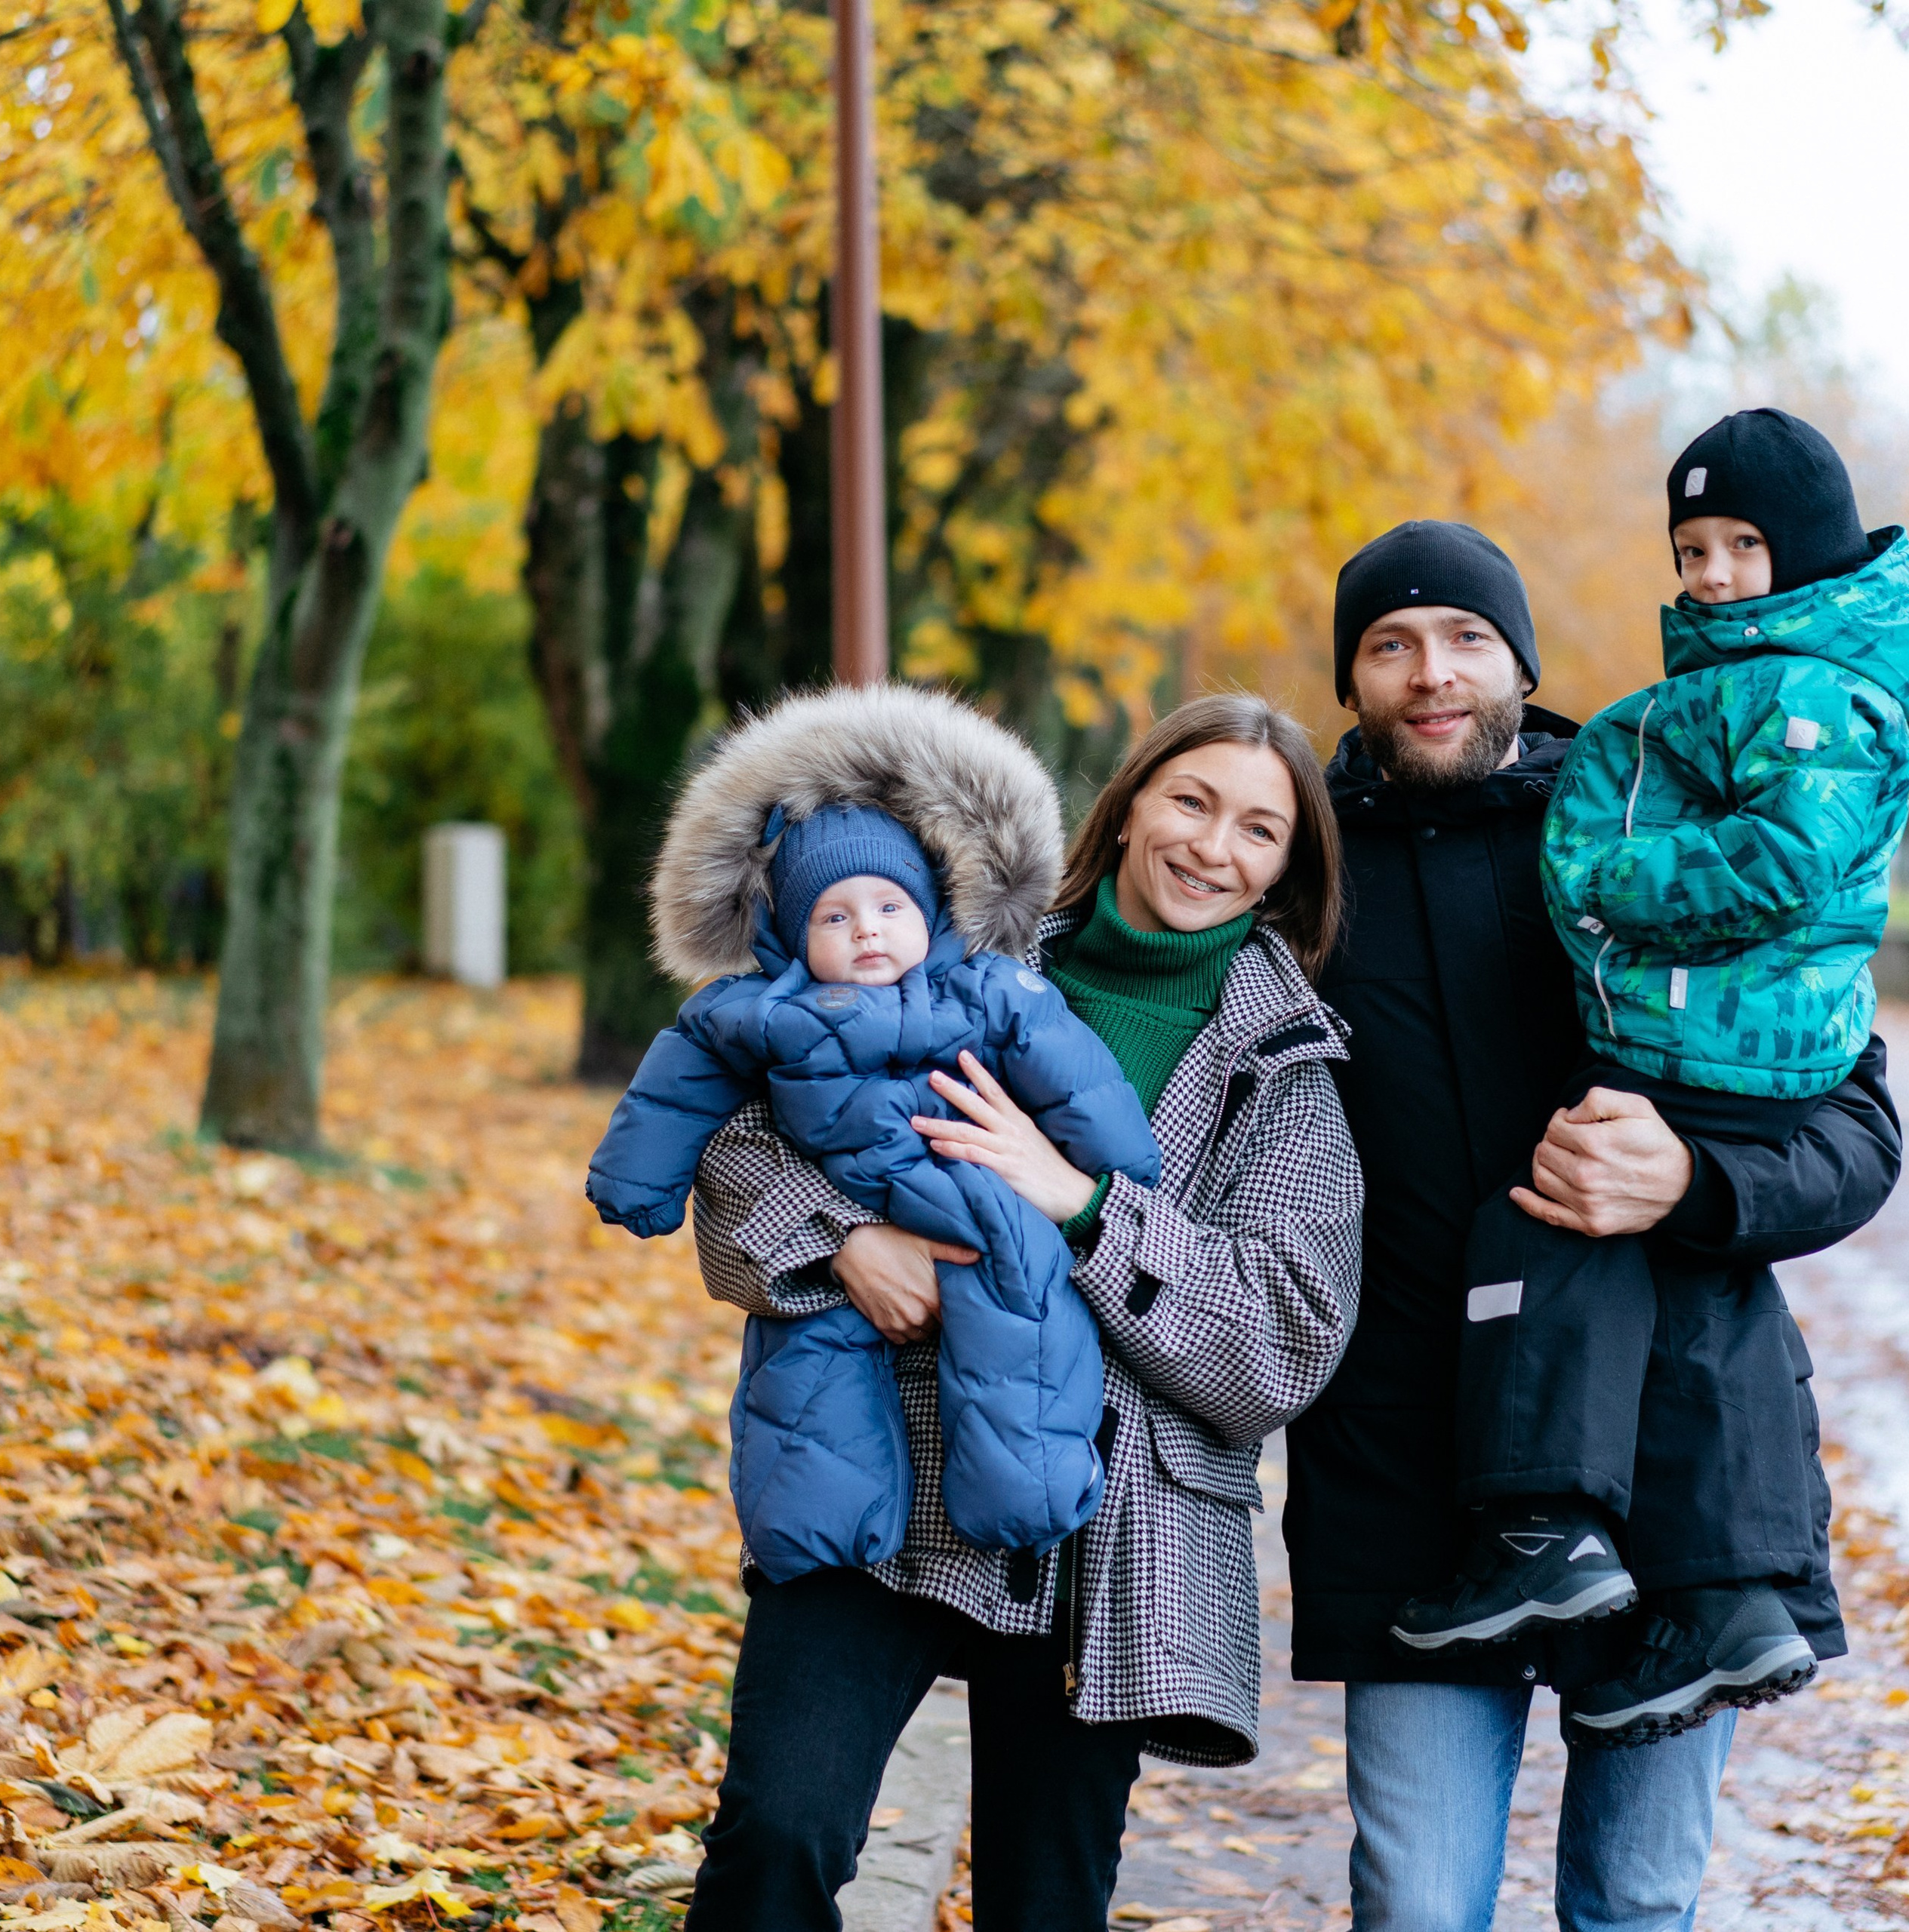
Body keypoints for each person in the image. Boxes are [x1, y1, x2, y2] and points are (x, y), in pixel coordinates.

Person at [1295, 515, 1901, 1930]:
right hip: (1407, 1471)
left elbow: (1857, 1136)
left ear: (1520, 660)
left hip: (1681, 1465)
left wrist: (1696, 1185)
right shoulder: (1299, 879)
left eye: (1465, 639)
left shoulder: (1661, 822)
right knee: (1415, 1908)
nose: (1430, 674)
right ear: (1352, 681)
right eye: (1389, 646)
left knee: (1635, 1906)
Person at [681, 692, 1362, 1932]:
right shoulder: (961, 955)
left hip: (1108, 1528)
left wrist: (1087, 1207)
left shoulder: (1290, 1068)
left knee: (1044, 1906)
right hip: (880, 1462)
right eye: (1193, 802)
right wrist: (850, 1243)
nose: (1216, 847)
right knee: (777, 1834)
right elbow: (734, 1139)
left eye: (1260, 831)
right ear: (1131, 803)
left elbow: (1281, 1338)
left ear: (1288, 869)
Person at [1393, 412, 1909, 1749]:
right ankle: (1732, 1603)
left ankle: (1546, 1522)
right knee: (1682, 1278)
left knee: (1551, 1224)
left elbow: (1786, 862)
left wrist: (1612, 893)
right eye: (1695, 548)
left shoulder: (1807, 692)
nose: (1718, 573)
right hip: (1712, 1037)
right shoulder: (1762, 683)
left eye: (1747, 545)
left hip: (1714, 1041)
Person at [584, 685, 1162, 1582]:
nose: (865, 933)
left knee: (1020, 1305)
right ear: (787, 934)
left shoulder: (984, 987)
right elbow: (676, 1086)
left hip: (971, 1196)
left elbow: (1068, 1067)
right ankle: (818, 1533)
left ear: (929, 913)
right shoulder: (755, 1009)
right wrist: (635, 1181)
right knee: (809, 1363)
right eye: (834, 917)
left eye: (889, 909)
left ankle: (1029, 1491)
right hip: (845, 1200)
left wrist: (1115, 1166)